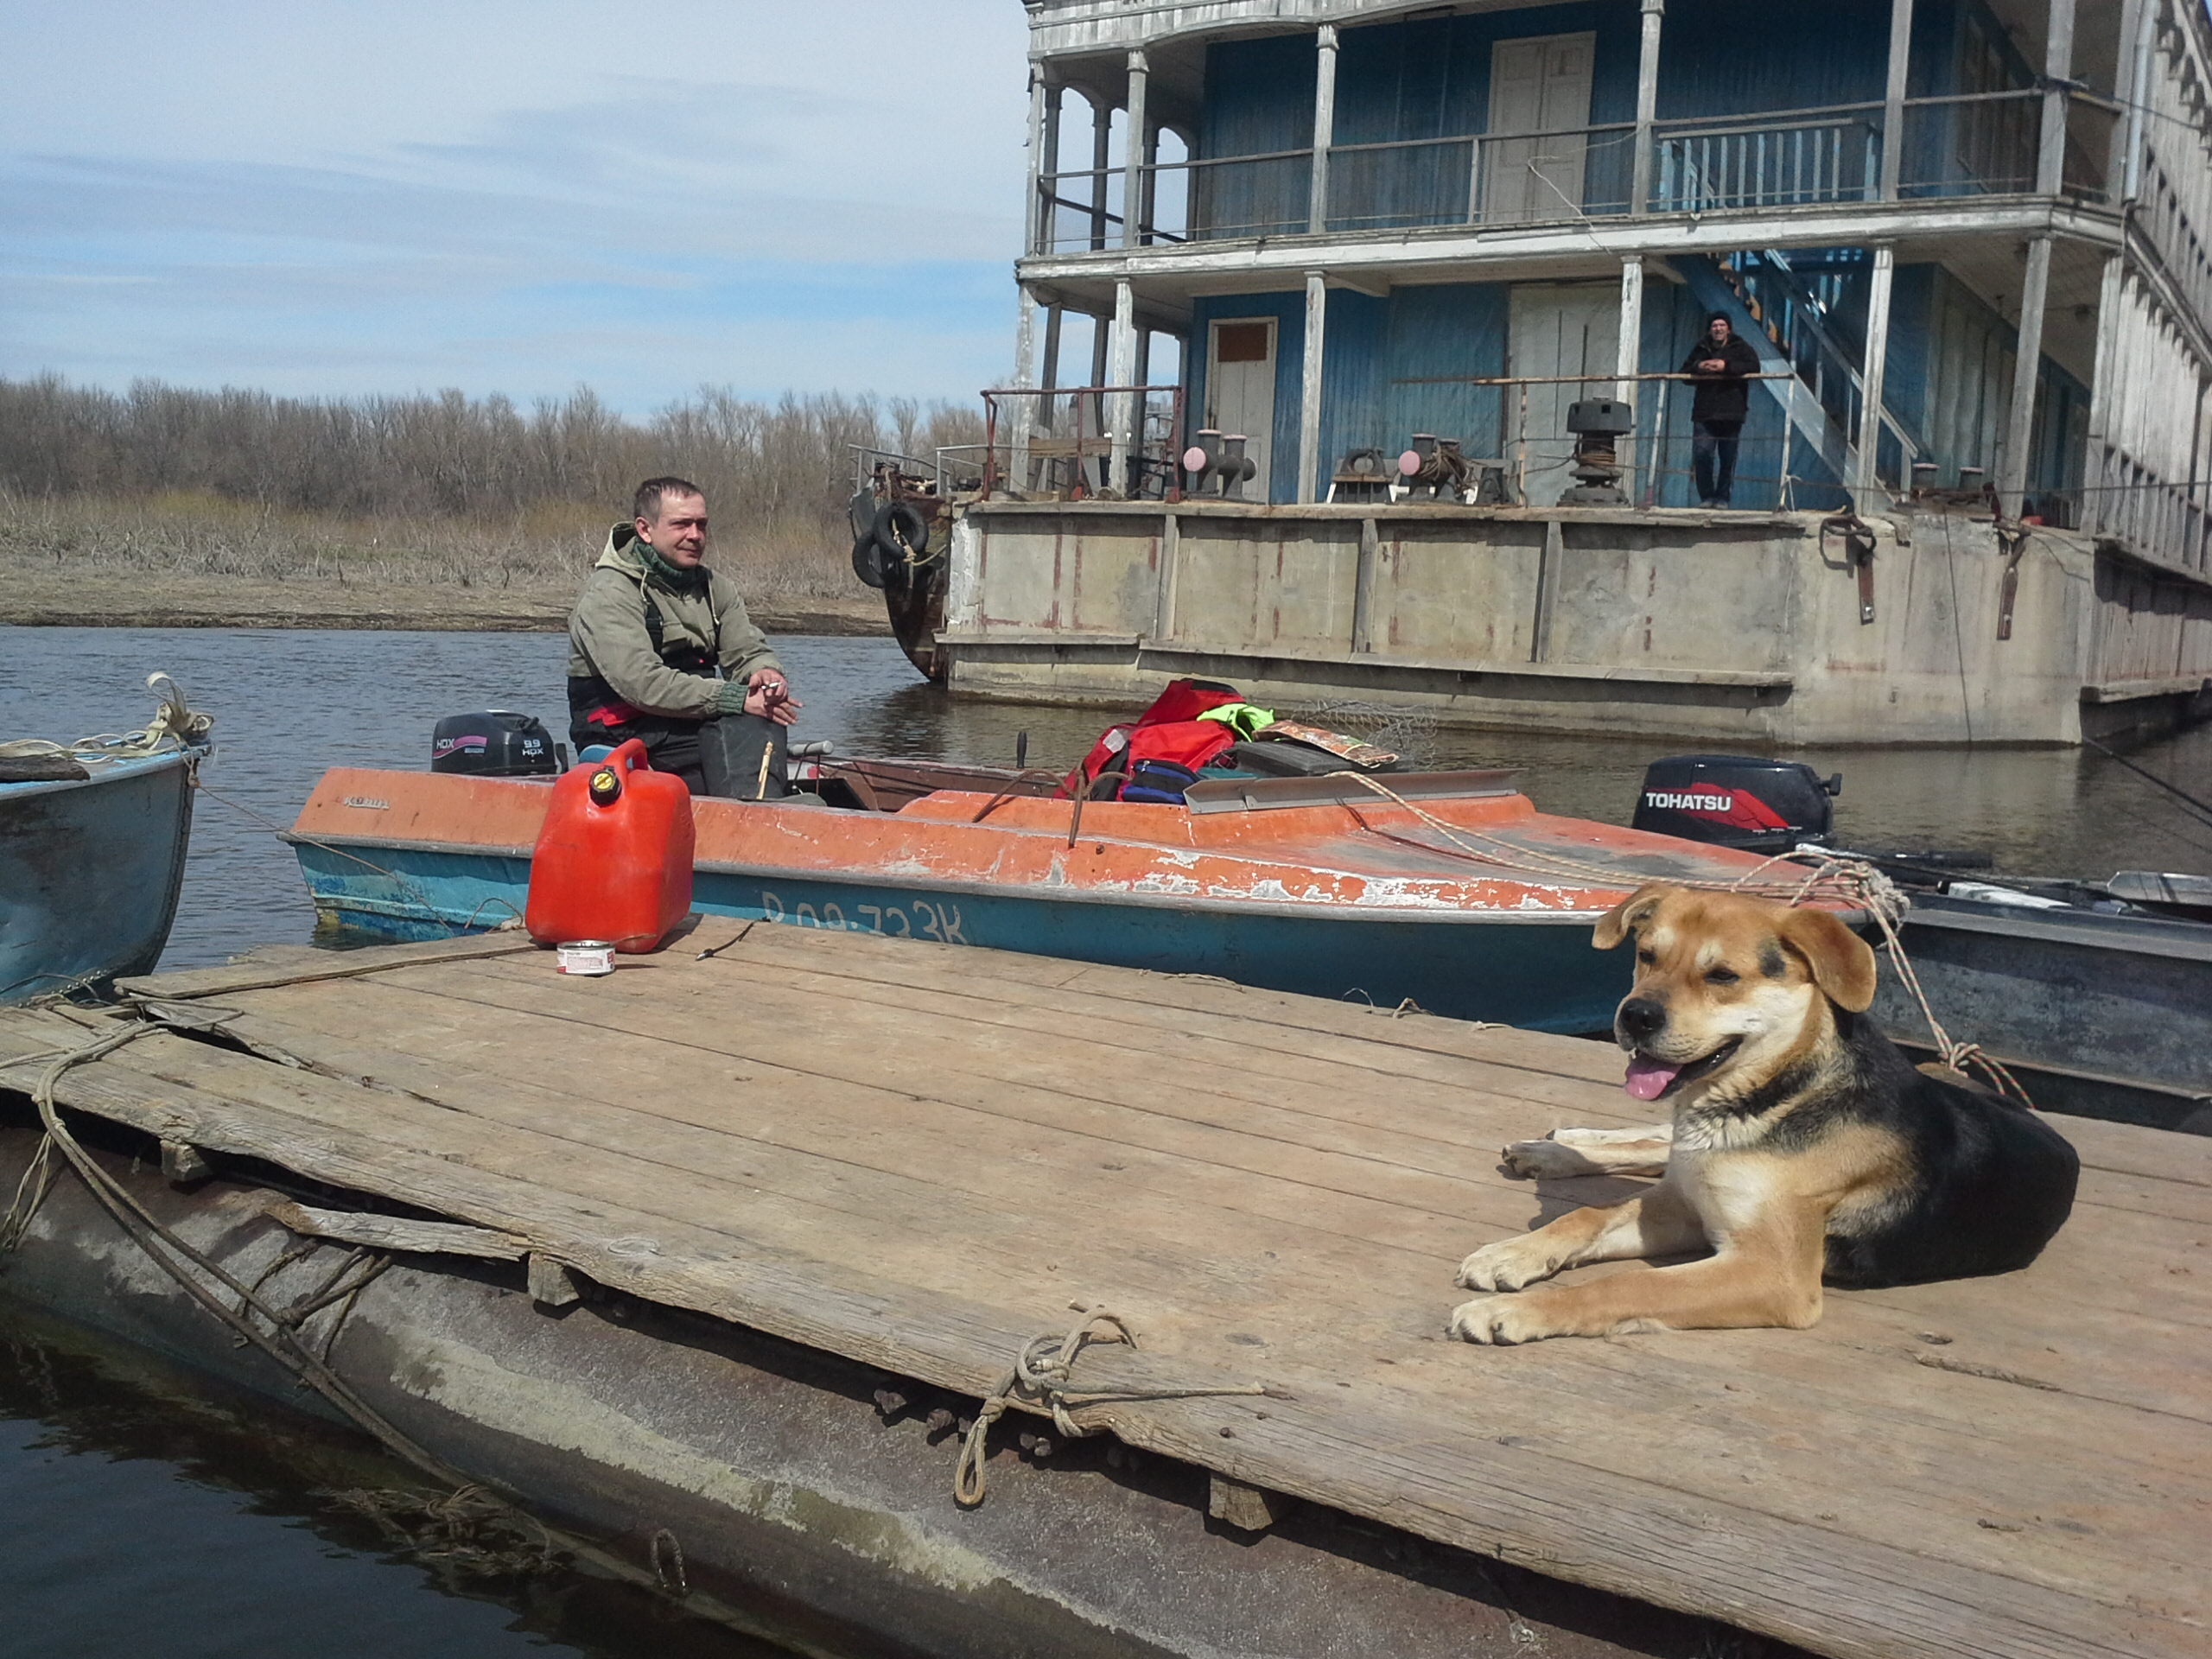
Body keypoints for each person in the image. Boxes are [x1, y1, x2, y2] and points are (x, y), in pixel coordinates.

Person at [566, 476, 802, 798]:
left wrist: (765, 674)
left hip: (690, 724)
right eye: (681, 525)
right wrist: (736, 699)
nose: (695, 535)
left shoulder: (716, 587)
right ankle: (752, 816)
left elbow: (746, 650)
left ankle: (762, 812)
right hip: (626, 735)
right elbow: (643, 685)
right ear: (644, 529)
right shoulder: (608, 593)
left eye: (701, 525)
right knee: (744, 733)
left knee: (763, 722)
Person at [1678, 312, 1761, 507]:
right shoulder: (1701, 348)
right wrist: (1700, 367)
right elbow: (1684, 373)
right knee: (1702, 454)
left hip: (1731, 413)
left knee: (1728, 458)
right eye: (1715, 326)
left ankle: (1722, 498)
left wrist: (1726, 366)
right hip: (1704, 413)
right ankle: (1707, 497)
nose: (1718, 329)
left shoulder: (1740, 347)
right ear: (1710, 329)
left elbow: (1754, 366)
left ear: (1728, 329)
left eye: (1722, 325)